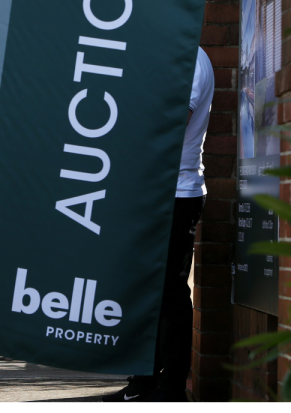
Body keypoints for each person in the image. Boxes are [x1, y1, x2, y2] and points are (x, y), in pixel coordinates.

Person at [102, 47, 215, 403]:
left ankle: (171, 389)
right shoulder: (163, 51)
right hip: (149, 191)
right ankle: (144, 381)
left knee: (169, 292)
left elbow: (168, 124)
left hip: (177, 192)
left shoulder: (191, 60)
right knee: (144, 289)